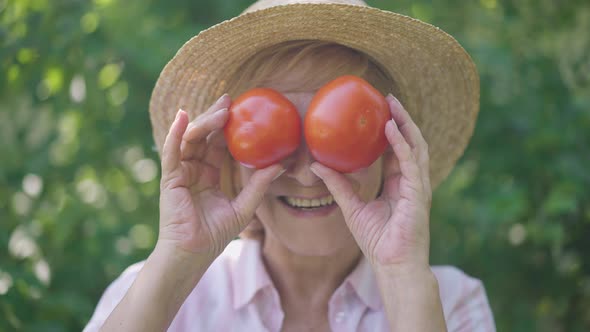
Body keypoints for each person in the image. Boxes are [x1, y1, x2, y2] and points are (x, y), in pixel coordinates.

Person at [84, 0, 496, 331]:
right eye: (269, 139)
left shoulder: (450, 303)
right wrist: (179, 257)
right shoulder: (154, 297)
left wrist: (402, 276)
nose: (304, 173)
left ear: (391, 150)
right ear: (230, 155)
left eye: (338, 137)